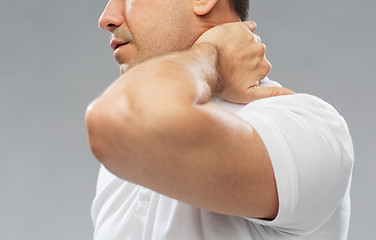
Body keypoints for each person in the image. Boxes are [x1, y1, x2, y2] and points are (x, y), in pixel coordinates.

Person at [85, 0, 354, 239]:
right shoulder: (128, 148)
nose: (107, 17)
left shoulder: (305, 127)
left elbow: (122, 115)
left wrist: (213, 54)